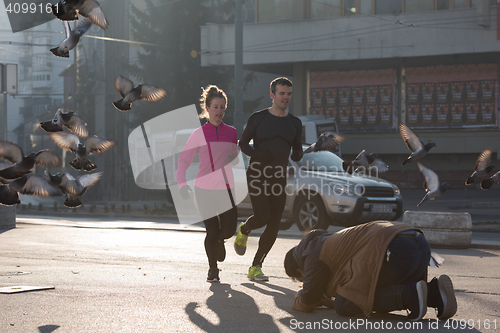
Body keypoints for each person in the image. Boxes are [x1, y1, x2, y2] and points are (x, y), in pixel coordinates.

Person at [284, 221, 458, 321]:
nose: (305, 282)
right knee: (374, 289)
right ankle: (435, 293)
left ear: (300, 270)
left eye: (302, 280)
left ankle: (409, 294)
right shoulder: (324, 241)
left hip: (395, 252)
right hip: (418, 244)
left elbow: (308, 301)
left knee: (344, 305)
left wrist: (298, 297)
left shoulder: (311, 255)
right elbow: (353, 283)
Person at [234, 77, 303, 281]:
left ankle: (256, 266)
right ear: (272, 95)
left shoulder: (295, 123)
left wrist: (298, 154)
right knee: (263, 217)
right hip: (257, 173)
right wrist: (256, 154)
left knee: (274, 224)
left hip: (278, 177)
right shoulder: (259, 118)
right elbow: (243, 143)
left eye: (289, 94)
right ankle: (244, 229)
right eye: (281, 93)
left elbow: (297, 147)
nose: (285, 97)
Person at [177, 85, 239, 283]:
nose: (219, 111)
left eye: (222, 107)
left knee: (229, 229)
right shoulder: (198, 134)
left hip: (226, 189)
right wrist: (182, 183)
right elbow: (184, 160)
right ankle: (213, 269)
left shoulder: (231, 132)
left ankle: (220, 240)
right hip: (204, 190)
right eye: (215, 107)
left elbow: (234, 158)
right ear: (207, 108)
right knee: (211, 230)